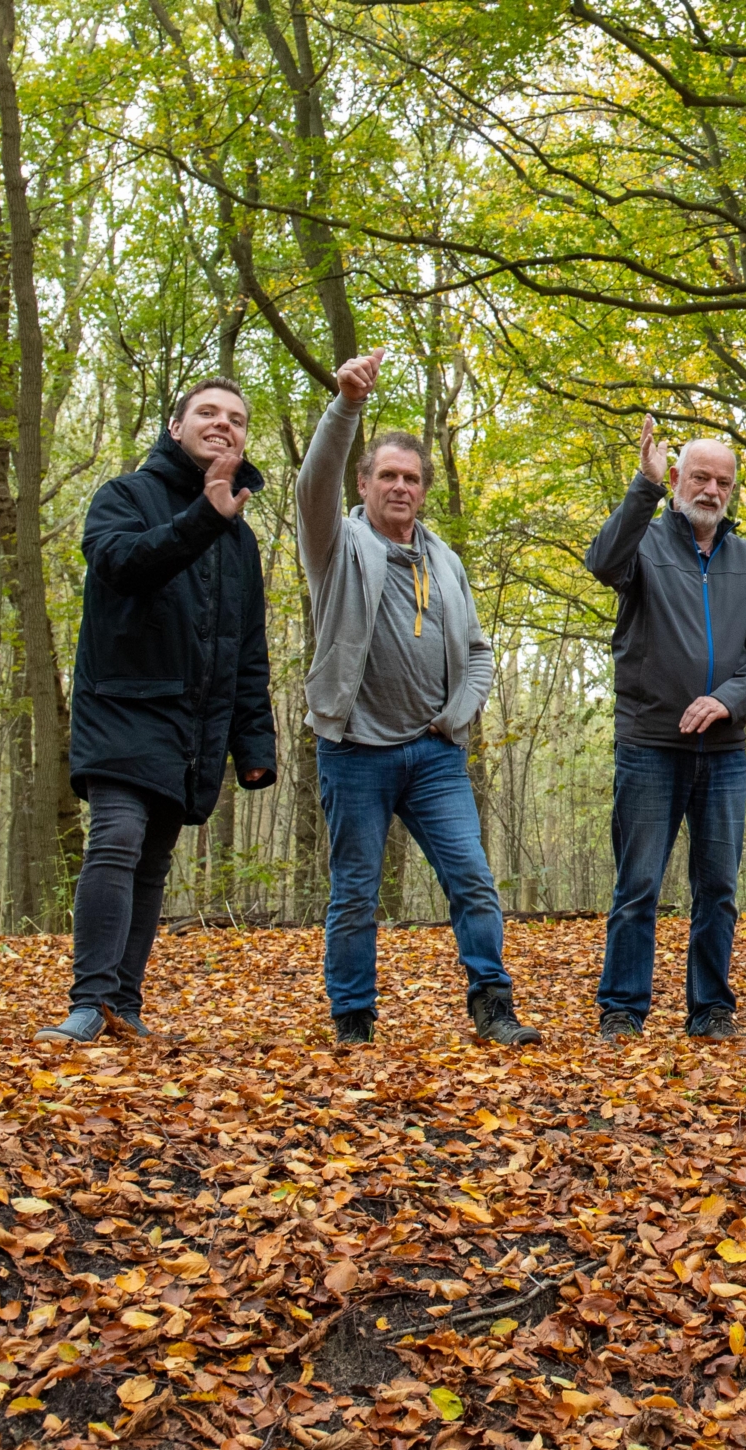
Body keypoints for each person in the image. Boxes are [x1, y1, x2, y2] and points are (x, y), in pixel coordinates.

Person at [298, 350, 539, 1047]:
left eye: (411, 478)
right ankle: (353, 1020)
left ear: (423, 489)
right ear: (366, 483)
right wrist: (345, 405)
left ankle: (493, 1006)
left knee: (472, 881)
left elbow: (479, 652)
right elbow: (313, 486)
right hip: (353, 749)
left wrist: (457, 717)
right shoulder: (336, 546)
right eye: (387, 476)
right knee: (354, 894)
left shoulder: (447, 562)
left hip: (433, 755)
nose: (400, 487)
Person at [38, 379, 278, 1043]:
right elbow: (123, 564)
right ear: (176, 428)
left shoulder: (243, 541)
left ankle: (124, 1004)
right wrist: (205, 515)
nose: (222, 424)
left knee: (152, 860)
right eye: (207, 413)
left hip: (193, 724)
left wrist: (253, 745)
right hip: (120, 705)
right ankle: (89, 1002)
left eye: (236, 418)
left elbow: (245, 647)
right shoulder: (125, 495)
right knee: (116, 835)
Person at [584, 418, 746, 1043]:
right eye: (699, 476)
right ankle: (621, 1010)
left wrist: (728, 701)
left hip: (724, 753)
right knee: (638, 884)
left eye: (723, 482)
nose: (711, 490)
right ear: (677, 478)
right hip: (650, 743)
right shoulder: (643, 545)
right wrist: (641, 489)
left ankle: (710, 1011)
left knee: (719, 887)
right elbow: (602, 562)